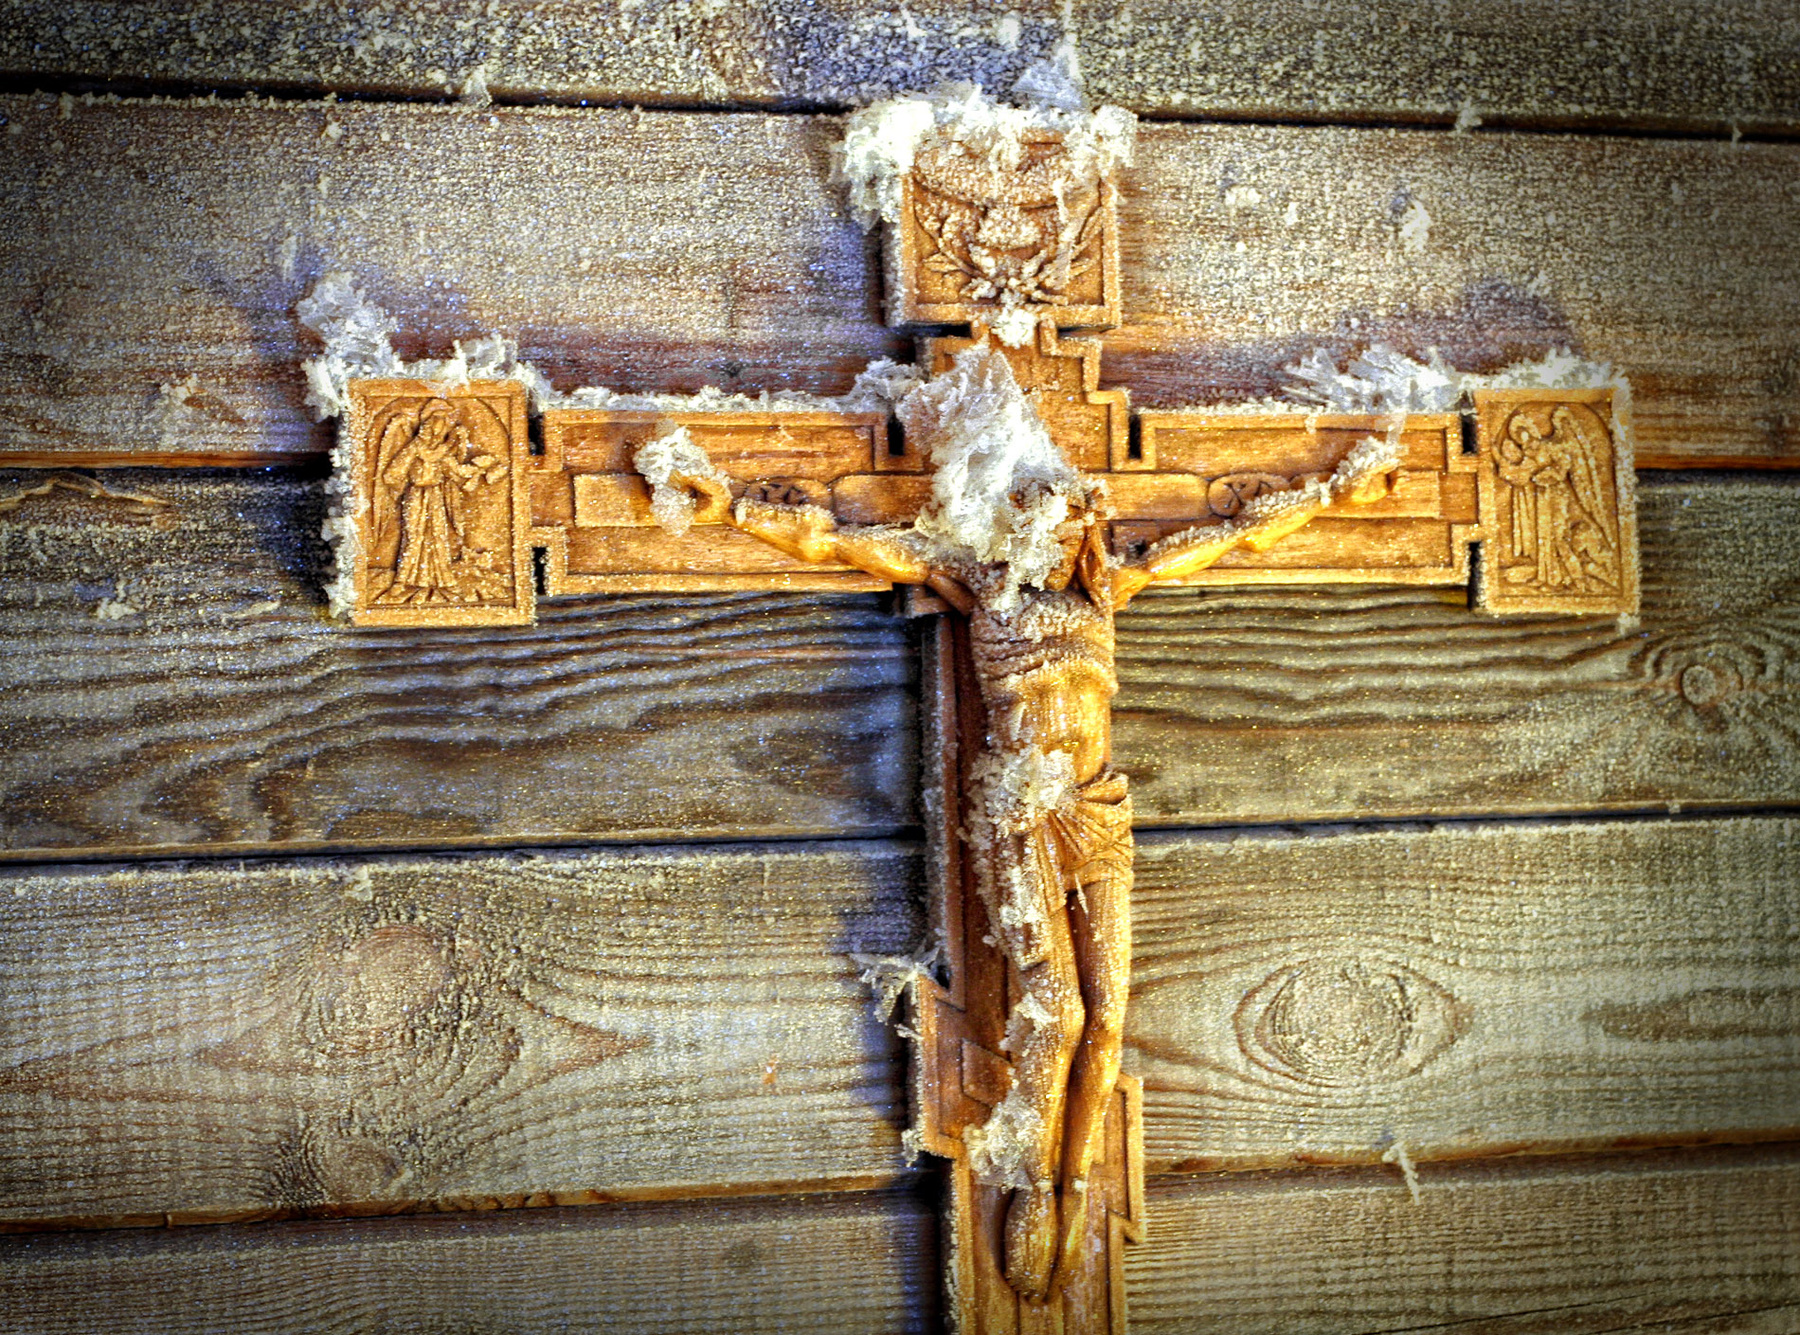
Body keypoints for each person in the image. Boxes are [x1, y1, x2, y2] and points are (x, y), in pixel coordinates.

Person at [670, 357, 1396, 1301]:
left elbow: (1232, 536)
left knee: (1110, 1014)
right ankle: (1029, 1181)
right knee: (1056, 1010)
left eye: (1067, 518)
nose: (1057, 530)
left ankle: (1072, 1178)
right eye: (1039, 513)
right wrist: (729, 504)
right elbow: (841, 542)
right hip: (1019, 813)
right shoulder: (978, 585)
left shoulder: (1104, 591)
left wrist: (1337, 491)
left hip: (1096, 809)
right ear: (1011, 518)